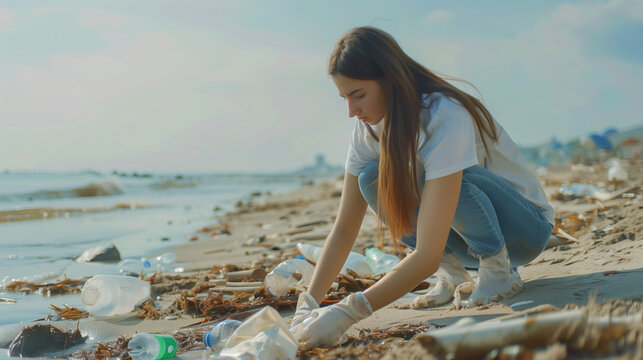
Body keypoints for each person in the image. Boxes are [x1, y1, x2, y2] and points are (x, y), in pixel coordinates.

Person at [292, 26, 555, 349]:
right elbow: (345, 227)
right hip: (461, 242)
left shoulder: (444, 115)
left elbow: (424, 255)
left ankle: (499, 269)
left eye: (358, 95)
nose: (351, 111)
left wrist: (349, 312)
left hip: (524, 233)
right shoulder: (367, 132)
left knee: (457, 175)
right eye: (344, 97)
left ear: (389, 80)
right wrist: (308, 303)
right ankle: (454, 273)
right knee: (371, 178)